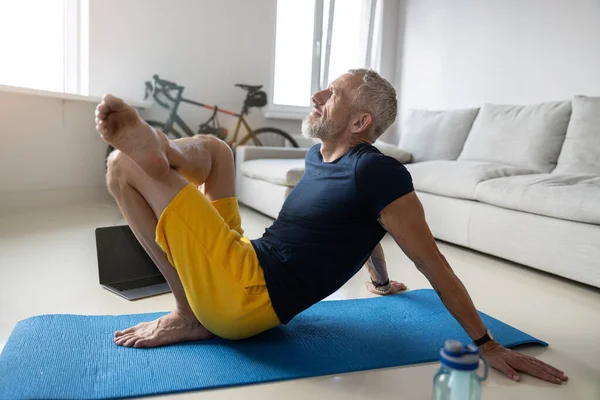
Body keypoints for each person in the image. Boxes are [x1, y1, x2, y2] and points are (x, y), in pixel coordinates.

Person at [95, 69, 567, 385]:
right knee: (219, 151)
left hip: (242, 295)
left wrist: (485, 344)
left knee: (121, 166)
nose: (318, 96)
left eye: (333, 94)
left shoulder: (377, 172)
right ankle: (169, 156)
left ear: (360, 121)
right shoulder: (321, 156)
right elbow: (359, 224)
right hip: (244, 258)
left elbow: (432, 261)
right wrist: (379, 281)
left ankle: (187, 312)